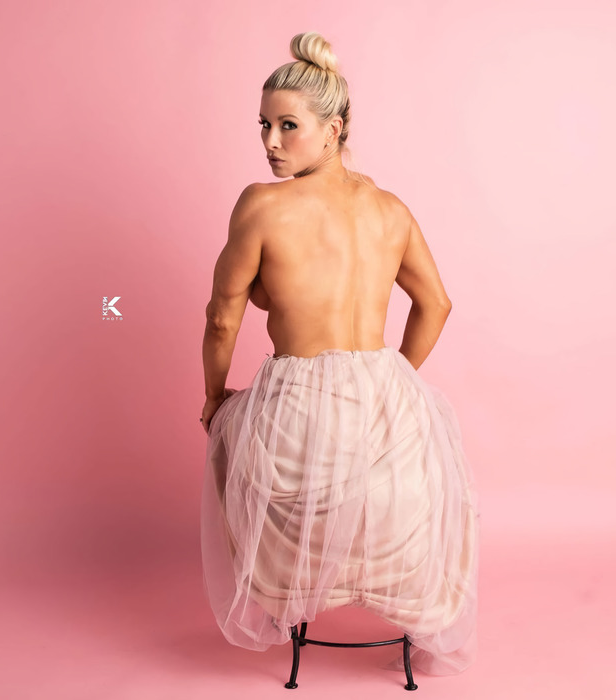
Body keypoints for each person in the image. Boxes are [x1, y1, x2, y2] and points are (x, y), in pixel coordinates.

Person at [200, 31, 479, 677]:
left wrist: (214, 399)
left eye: (287, 126)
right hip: (381, 393)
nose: (270, 142)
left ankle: (286, 593)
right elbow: (436, 304)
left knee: (229, 435)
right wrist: (395, 379)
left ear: (334, 129)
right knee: (407, 474)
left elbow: (221, 319)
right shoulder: (390, 209)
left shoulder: (262, 205)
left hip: (297, 402)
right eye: (264, 124)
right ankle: (390, 598)